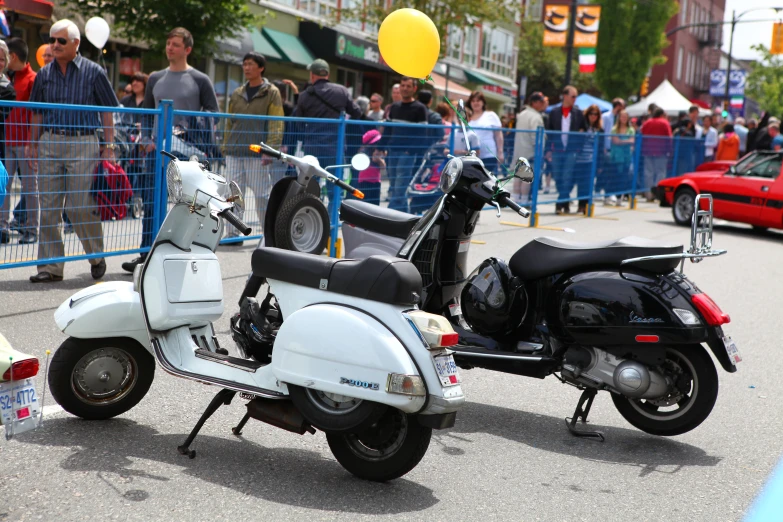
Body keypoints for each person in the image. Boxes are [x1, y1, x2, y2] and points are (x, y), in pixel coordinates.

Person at [27, 19, 119, 283]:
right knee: (49, 207)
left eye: (60, 41)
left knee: (80, 206)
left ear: (76, 43)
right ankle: (50, 267)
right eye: (52, 40)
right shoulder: (44, 73)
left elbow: (107, 110)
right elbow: (36, 113)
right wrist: (33, 144)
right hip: (50, 142)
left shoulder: (93, 72)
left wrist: (109, 146)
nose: (54, 45)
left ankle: (96, 256)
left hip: (84, 143)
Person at [123, 27, 220, 274]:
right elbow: (147, 113)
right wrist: (145, 139)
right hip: (157, 152)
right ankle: (146, 254)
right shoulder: (154, 78)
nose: (170, 48)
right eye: (168, 43)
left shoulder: (200, 79)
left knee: (187, 205)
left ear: (187, 49)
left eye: (175, 44)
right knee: (151, 202)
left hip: (188, 153)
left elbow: (214, 114)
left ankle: (183, 252)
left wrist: (190, 124)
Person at [222, 52, 284, 243]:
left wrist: (270, 150)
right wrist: (225, 146)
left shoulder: (271, 92)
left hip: (258, 153)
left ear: (261, 68)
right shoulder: (237, 92)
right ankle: (233, 235)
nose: (247, 67)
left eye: (250, 64)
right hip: (234, 151)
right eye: (244, 64)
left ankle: (268, 234)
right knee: (233, 194)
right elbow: (229, 122)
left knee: (261, 195)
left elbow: (276, 122)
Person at [292, 58, 362, 170]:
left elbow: (298, 123)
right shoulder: (341, 91)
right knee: (334, 183)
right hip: (336, 146)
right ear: (328, 75)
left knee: (311, 184)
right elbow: (357, 112)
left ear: (312, 75)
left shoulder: (304, 96)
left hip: (313, 147)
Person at [2, 38, 35, 244]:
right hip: (8, 140)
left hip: (25, 143)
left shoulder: (32, 79)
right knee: (4, 185)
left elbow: (36, 114)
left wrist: (33, 143)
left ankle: (32, 228)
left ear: (12, 57)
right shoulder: (8, 79)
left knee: (31, 187)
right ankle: (2, 226)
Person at [381, 76, 427, 212]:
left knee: (400, 187)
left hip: (407, 153)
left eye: (408, 86)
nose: (405, 88)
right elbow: (388, 130)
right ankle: (405, 219)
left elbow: (422, 133)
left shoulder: (420, 108)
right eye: (403, 85)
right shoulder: (394, 107)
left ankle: (388, 215)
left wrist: (410, 151)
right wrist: (380, 148)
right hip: (392, 151)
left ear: (414, 88)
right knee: (395, 185)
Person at [545, 85, 587, 214]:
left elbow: (584, 130)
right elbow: (549, 133)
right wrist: (548, 150)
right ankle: (565, 200)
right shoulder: (554, 112)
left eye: (576, 96)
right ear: (565, 96)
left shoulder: (578, 113)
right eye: (573, 96)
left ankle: (560, 203)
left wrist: (578, 146)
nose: (575, 99)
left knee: (567, 177)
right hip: (557, 150)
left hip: (571, 150)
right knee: (557, 177)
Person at [512, 91, 546, 203]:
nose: (543, 104)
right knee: (527, 179)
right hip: (530, 152)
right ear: (535, 103)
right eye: (541, 102)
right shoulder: (536, 117)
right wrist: (539, 153)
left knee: (517, 177)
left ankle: (516, 200)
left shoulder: (521, 114)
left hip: (519, 151)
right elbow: (536, 137)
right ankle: (524, 201)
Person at [574, 105, 603, 214]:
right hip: (580, 159)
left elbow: (601, 148)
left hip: (592, 160)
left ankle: (587, 205)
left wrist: (600, 165)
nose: (593, 116)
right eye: (591, 113)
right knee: (580, 183)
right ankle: (580, 205)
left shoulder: (600, 129)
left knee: (589, 183)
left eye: (596, 114)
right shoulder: (582, 126)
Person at [466, 91, 503, 173]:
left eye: (478, 100)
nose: (475, 103)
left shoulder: (491, 115)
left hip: (488, 156)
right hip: (471, 157)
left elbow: (498, 135)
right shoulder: (467, 117)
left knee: (488, 183)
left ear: (483, 102)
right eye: (473, 101)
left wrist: (500, 153)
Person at [639, 107, 672, 201]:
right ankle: (658, 194)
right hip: (661, 152)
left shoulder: (647, 122)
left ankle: (649, 194)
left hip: (648, 151)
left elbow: (642, 135)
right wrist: (670, 151)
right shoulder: (664, 123)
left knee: (648, 173)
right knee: (660, 173)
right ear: (661, 115)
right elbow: (669, 138)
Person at [351, 129, 385, 206]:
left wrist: (379, 159)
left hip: (376, 181)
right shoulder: (363, 152)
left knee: (374, 205)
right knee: (364, 204)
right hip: (364, 181)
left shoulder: (377, 152)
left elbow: (383, 167)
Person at [608, 109, 635, 206]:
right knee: (615, 176)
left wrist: (621, 141)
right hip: (616, 156)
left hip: (626, 156)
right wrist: (626, 141)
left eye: (625, 117)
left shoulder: (631, 129)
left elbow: (632, 141)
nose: (623, 118)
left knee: (624, 176)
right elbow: (615, 141)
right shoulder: (614, 129)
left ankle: (620, 197)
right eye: (622, 116)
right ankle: (612, 195)